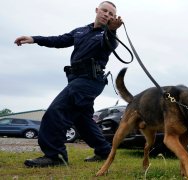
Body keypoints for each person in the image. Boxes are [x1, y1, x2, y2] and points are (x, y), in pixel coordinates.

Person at [14, 1, 123, 167]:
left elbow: (109, 43)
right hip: (75, 78)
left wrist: (112, 30)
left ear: (114, 18)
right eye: (104, 11)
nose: (107, 15)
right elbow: (60, 40)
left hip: (89, 81)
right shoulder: (80, 31)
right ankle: (104, 151)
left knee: (57, 111)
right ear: (97, 10)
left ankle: (55, 156)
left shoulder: (108, 35)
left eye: (111, 14)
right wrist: (34, 39)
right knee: (82, 119)